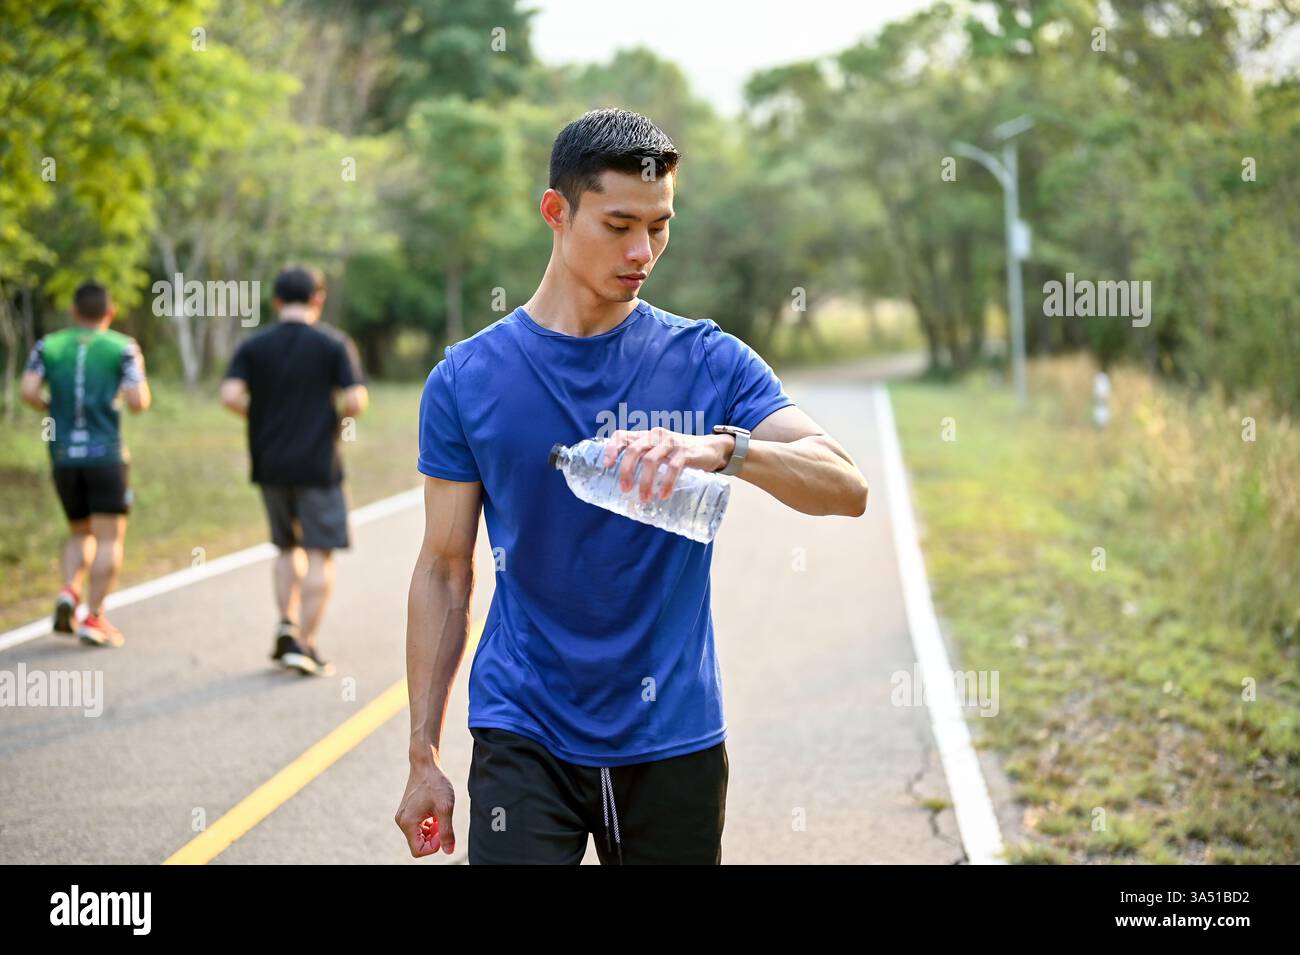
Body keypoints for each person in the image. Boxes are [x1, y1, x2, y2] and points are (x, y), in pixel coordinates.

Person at [394, 108, 869, 865]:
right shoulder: (466, 378)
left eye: (659, 225)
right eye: (618, 224)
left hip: (671, 733)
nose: (643, 250)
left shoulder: (710, 362)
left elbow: (845, 485)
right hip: (525, 726)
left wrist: (723, 448)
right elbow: (444, 567)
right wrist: (423, 754)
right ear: (556, 211)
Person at [220, 265, 368, 676]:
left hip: (270, 463)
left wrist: (261, 415)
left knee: (287, 547)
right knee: (320, 553)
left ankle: (286, 624)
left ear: (277, 301)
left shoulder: (255, 346)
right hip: (318, 464)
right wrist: (333, 418)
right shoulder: (333, 344)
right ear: (318, 299)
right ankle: (306, 643)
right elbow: (356, 399)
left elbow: (230, 394)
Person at [20, 280, 152, 647]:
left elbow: (28, 391)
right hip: (106, 454)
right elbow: (139, 400)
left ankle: (68, 590)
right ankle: (94, 617)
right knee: (110, 536)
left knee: (81, 531)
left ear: (74, 311)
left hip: (63, 454)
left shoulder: (48, 346)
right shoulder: (123, 348)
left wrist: (51, 408)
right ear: (110, 313)